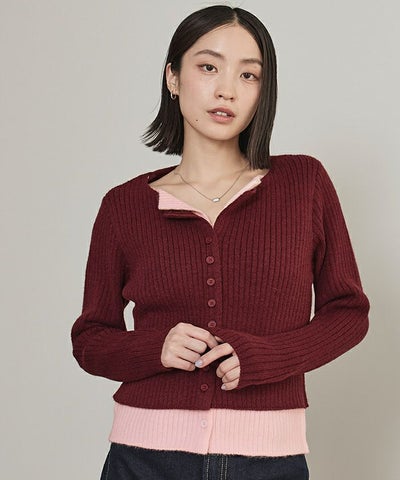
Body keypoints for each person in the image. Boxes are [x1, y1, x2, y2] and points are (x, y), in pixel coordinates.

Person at [71, 5, 369, 479]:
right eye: (209, 67)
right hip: (142, 458)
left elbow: (349, 313)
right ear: (173, 77)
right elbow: (90, 339)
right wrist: (155, 348)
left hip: (268, 461)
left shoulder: (304, 183)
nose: (227, 89)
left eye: (248, 75)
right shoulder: (124, 205)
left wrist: (269, 358)